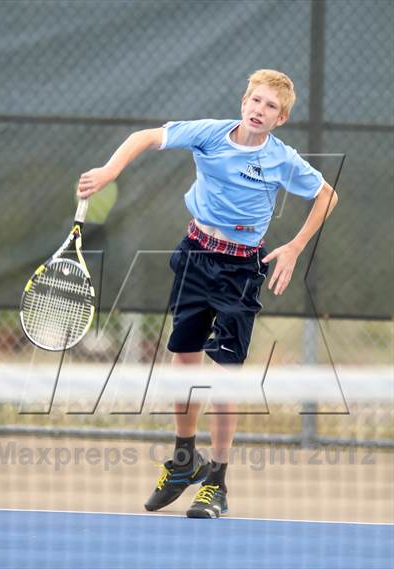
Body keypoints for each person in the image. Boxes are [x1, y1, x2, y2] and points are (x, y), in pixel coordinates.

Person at [77, 69, 338, 519]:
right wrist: (109, 170)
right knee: (182, 361)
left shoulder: (282, 159)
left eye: (270, 107)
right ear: (243, 103)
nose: (260, 110)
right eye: (255, 101)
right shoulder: (209, 135)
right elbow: (146, 136)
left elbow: (327, 196)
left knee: (224, 376)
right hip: (196, 254)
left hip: (240, 270)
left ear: (281, 118)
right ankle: (184, 461)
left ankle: (216, 480)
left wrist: (295, 247)